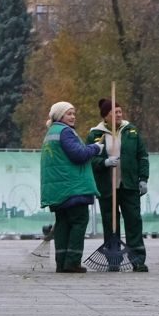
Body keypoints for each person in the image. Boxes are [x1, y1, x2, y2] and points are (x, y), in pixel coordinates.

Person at [40, 101, 114, 274]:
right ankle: (72, 262)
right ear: (60, 116)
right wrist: (95, 148)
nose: (73, 116)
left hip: (58, 190)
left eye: (73, 113)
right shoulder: (66, 132)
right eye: (69, 113)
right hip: (72, 188)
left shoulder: (52, 132)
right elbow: (78, 155)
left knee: (63, 224)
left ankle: (61, 263)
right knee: (78, 222)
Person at [89, 98, 150, 273]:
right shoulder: (96, 134)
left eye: (120, 111)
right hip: (108, 187)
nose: (118, 114)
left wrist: (143, 178)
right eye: (114, 112)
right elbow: (90, 159)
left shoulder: (131, 131)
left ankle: (138, 259)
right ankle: (113, 259)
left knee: (134, 221)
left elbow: (142, 156)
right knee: (111, 223)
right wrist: (105, 162)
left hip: (129, 185)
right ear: (105, 116)